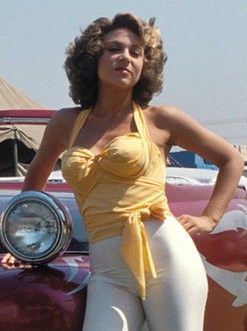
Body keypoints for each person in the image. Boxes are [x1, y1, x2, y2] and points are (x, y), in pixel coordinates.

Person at [2, 13, 244, 331]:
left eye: (136, 52)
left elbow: (231, 159)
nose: (125, 58)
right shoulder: (66, 122)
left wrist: (209, 218)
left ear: (146, 64)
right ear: (93, 57)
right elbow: (36, 178)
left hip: (166, 257)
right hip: (108, 270)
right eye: (114, 48)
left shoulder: (161, 119)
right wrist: (22, 242)